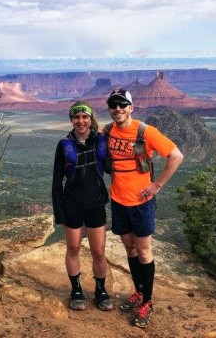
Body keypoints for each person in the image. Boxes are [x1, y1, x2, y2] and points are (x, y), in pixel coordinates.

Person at [103, 89, 184, 328]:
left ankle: (147, 301)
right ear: (109, 108)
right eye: (113, 104)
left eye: (122, 104)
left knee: (144, 252)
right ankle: (138, 292)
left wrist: (156, 185)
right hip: (118, 201)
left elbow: (176, 155)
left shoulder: (145, 131)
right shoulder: (107, 131)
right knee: (129, 249)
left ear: (131, 107)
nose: (118, 108)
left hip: (141, 203)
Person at [51, 101, 113, 311]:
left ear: (90, 119)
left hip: (95, 203)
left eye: (84, 117)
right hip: (72, 204)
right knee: (73, 248)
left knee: (98, 250)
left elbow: (113, 167)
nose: (81, 121)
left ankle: (100, 289)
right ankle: (76, 289)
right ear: (72, 120)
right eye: (76, 117)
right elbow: (57, 180)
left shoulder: (100, 142)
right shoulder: (64, 144)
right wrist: (58, 210)